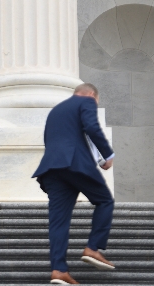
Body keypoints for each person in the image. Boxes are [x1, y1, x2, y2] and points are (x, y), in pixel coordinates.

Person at [32, 83, 116, 285]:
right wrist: (108, 155)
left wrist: (97, 159)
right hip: (74, 163)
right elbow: (92, 127)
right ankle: (93, 248)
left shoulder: (56, 111)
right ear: (91, 94)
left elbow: (68, 138)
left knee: (58, 221)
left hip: (52, 169)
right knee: (105, 201)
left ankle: (59, 270)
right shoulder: (86, 100)